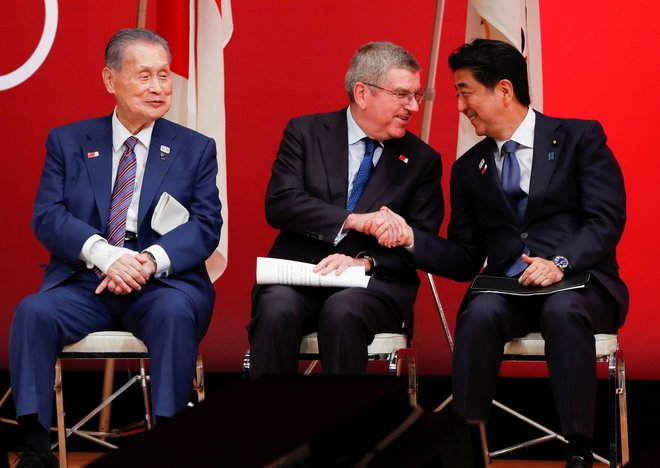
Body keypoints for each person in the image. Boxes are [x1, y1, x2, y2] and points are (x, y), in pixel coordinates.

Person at [362, 39, 627, 468]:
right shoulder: (469, 168)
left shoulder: (580, 138)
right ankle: (465, 447)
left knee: (562, 311)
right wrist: (411, 237)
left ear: (504, 90)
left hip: (581, 284)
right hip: (508, 290)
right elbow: (466, 257)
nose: (460, 106)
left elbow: (605, 221)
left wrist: (558, 263)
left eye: (465, 92)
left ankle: (578, 448)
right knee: (480, 314)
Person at [9, 28, 222, 467]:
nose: (158, 87)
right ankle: (34, 448)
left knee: (174, 314)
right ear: (110, 80)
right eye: (144, 75)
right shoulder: (68, 142)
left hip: (160, 284)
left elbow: (205, 225)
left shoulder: (194, 148)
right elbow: (48, 216)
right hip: (87, 280)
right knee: (33, 312)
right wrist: (107, 256)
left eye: (164, 75)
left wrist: (145, 261)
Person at [247, 41, 444, 377]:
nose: (413, 106)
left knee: (343, 311)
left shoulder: (422, 160)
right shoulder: (306, 133)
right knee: (277, 309)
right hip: (298, 277)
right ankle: (271, 423)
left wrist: (364, 262)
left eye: (417, 95)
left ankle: (343, 426)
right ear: (363, 93)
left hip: (373, 286)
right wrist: (353, 220)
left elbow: (421, 242)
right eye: (402, 94)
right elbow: (281, 203)